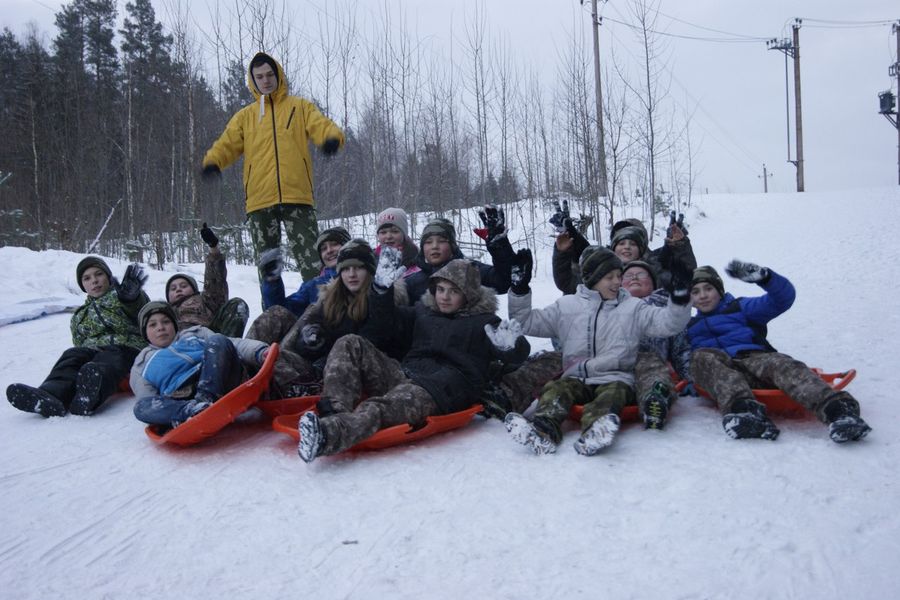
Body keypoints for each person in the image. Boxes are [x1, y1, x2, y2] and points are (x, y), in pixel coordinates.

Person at [297, 259, 530, 463]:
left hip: (441, 389)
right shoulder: (423, 312)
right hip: (406, 373)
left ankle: (327, 436)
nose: (444, 297)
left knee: (379, 407)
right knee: (350, 342)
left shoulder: (485, 323)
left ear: (468, 294)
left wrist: (510, 346)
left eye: (453, 291)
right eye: (440, 289)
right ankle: (333, 412)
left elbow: (516, 355)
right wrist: (380, 291)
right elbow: (386, 324)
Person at [504, 246, 692, 455]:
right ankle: (543, 429)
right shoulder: (566, 306)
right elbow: (525, 322)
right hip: (575, 376)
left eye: (619, 276)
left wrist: (680, 298)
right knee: (556, 390)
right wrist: (519, 290)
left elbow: (668, 324)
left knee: (612, 395)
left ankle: (596, 430)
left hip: (616, 376)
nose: (617, 282)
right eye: (609, 277)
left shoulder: (633, 307)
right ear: (592, 278)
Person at [687, 262, 871, 443]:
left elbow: (782, 300)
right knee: (701, 358)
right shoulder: (689, 327)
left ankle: (838, 411)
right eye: (695, 292)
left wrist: (766, 278)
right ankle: (745, 413)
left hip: (753, 359)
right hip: (726, 376)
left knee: (780, 364)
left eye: (708, 288)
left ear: (719, 289)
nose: (703, 296)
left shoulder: (740, 307)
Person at [200, 52, 345, 283]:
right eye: (259, 76)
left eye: (269, 74)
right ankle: (272, 314)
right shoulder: (245, 117)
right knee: (269, 271)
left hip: (297, 197)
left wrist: (330, 138)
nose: (265, 80)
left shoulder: (299, 107)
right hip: (260, 201)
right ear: (253, 80)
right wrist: (213, 161)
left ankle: (323, 310)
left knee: (313, 264)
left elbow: (321, 124)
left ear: (278, 75)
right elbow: (227, 143)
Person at [247, 239, 407, 398]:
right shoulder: (331, 299)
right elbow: (307, 336)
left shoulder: (384, 301)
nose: (351, 274)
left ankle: (306, 394)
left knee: (348, 342)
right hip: (323, 369)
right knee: (272, 355)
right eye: (345, 269)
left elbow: (377, 337)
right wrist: (310, 338)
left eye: (358, 268)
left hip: (363, 373)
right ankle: (245, 375)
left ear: (370, 271)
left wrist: (382, 294)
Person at [6, 257, 149, 417]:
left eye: (99, 274)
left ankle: (89, 396)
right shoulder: (79, 315)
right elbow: (79, 343)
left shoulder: (123, 296)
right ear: (83, 286)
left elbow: (144, 314)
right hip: (93, 351)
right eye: (87, 278)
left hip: (126, 349)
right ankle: (51, 394)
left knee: (109, 359)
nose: (94, 281)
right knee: (72, 355)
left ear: (108, 277)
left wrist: (133, 299)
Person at [131, 302, 270, 429]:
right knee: (141, 407)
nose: (160, 328)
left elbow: (233, 343)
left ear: (174, 325)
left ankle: (206, 399)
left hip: (218, 378)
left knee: (218, 340)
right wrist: (165, 414)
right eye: (152, 325)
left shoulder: (196, 334)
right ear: (145, 333)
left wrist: (259, 351)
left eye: (166, 322)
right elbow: (147, 397)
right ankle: (191, 410)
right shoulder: (142, 362)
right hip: (181, 396)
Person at [620, 260, 693, 429]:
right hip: (617, 365)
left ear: (653, 283)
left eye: (641, 274)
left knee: (651, 368)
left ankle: (655, 402)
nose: (634, 278)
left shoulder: (667, 306)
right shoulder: (609, 306)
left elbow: (680, 347)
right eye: (628, 276)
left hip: (652, 365)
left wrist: (690, 378)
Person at [402, 208, 515, 305]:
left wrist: (500, 249)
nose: (434, 246)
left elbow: (504, 281)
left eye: (442, 241)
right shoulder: (412, 282)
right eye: (428, 242)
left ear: (452, 246)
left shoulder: (471, 270)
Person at [166, 223, 249, 338]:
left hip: (212, 342)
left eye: (184, 286)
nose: (178, 289)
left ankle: (229, 348)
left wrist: (213, 248)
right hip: (178, 347)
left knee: (237, 304)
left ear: (194, 289)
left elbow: (215, 281)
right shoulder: (164, 312)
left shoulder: (205, 301)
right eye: (173, 288)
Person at [257, 225, 351, 318]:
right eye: (323, 249)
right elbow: (280, 312)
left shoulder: (362, 277)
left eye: (334, 244)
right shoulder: (314, 286)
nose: (329, 250)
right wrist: (272, 280)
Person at [374, 207, 419, 271]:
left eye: (394, 231)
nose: (388, 236)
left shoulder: (417, 258)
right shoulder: (372, 259)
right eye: (383, 232)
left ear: (404, 234)